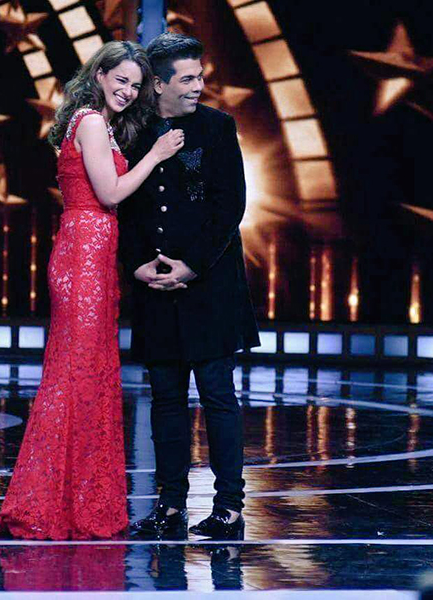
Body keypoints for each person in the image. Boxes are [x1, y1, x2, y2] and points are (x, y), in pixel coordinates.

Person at [0, 41, 184, 540]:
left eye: (135, 85)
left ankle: (74, 500)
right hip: (82, 257)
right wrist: (156, 155)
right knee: (75, 377)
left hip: (92, 254)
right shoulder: (92, 123)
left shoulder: (96, 123)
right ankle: (49, 503)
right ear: (99, 76)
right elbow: (109, 193)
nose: (128, 91)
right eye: (121, 80)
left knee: (85, 376)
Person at [118, 33, 260, 540]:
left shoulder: (218, 127)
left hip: (210, 285)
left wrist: (191, 267)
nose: (198, 86)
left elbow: (230, 206)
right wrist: (138, 264)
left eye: (200, 77)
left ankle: (229, 509)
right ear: (158, 84)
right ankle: (170, 505)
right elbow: (124, 204)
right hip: (155, 286)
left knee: (218, 396)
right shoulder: (132, 130)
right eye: (188, 78)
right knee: (165, 399)